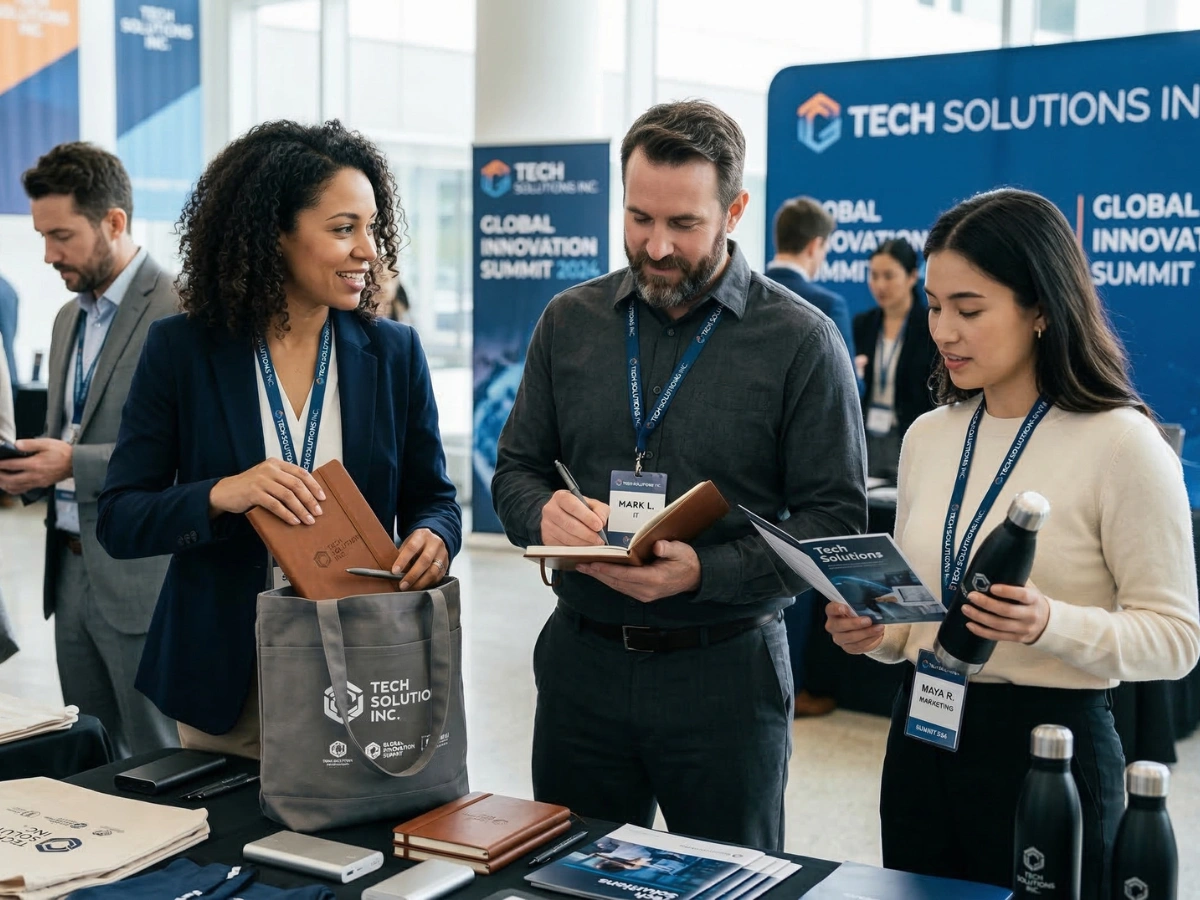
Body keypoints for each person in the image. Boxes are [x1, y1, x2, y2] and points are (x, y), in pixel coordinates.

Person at [492, 100, 866, 850]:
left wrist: (707, 571)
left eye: (684, 225)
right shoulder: (569, 321)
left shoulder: (799, 340)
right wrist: (542, 516)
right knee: (569, 878)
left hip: (725, 676)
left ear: (734, 209)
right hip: (581, 666)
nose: (656, 246)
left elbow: (834, 522)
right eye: (638, 218)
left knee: (732, 880)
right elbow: (516, 470)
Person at [826, 189, 1200, 897]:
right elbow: (917, 623)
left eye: (969, 309)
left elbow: (1177, 637)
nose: (944, 331)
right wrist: (873, 632)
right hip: (921, 731)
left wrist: (1049, 623)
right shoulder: (929, 436)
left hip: (1047, 748)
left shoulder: (1123, 442)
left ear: (1040, 309)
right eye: (934, 306)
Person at [95, 120, 462, 759]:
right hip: (227, 680)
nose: (369, 251)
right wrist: (221, 494)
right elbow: (122, 518)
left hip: (368, 670)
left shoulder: (394, 353)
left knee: (359, 852)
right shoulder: (182, 350)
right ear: (274, 234)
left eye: (372, 227)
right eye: (344, 229)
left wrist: (435, 537)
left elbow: (436, 498)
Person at [0, 142, 179, 758]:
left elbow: (195, 456)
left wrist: (70, 463)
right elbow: (69, 430)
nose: (49, 254)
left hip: (144, 578)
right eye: (42, 237)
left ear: (115, 222)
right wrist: (30, 471)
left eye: (62, 236)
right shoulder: (64, 321)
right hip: (69, 569)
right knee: (91, 757)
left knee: (159, 759)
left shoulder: (180, 310)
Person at [852, 239, 937, 482]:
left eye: (889, 276)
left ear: (911, 277)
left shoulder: (929, 326)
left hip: (910, 434)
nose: (880, 285)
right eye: (874, 275)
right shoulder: (863, 324)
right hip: (866, 436)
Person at [764, 196, 854, 361]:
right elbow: (845, 385)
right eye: (825, 249)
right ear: (814, 246)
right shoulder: (829, 306)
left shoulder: (744, 293)